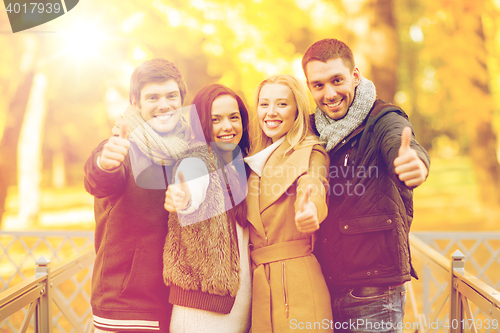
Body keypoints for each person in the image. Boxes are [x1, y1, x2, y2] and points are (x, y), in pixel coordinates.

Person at [302, 38, 430, 332]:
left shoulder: (382, 118)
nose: (330, 93)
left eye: (337, 80)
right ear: (309, 87)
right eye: (318, 85)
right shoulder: (309, 129)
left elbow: (400, 142)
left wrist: (413, 163)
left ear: (355, 76)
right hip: (324, 287)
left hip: (373, 294)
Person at [84, 58, 190, 333]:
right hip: (126, 305)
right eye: (152, 97)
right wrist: (104, 164)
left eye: (171, 96)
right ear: (136, 103)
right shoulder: (121, 147)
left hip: (178, 306)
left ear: (182, 100)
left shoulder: (189, 150)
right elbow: (100, 180)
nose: (163, 104)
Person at [244, 74, 333, 332]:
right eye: (264, 104)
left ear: (297, 111)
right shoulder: (254, 160)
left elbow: (314, 185)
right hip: (259, 288)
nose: (271, 112)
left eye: (281, 104)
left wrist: (311, 210)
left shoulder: (310, 152)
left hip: (297, 286)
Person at [162, 84, 252, 333]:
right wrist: (184, 196)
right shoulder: (198, 158)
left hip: (236, 311)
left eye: (234, 117)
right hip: (201, 316)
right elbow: (192, 179)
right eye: (216, 119)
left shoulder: (239, 165)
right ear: (201, 124)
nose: (227, 126)